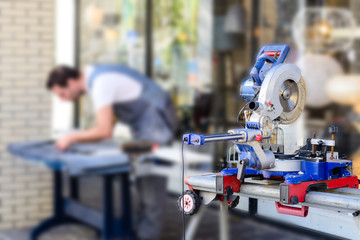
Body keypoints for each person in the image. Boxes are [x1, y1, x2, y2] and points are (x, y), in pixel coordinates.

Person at [46, 64, 177, 240]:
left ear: (71, 82)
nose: (63, 99)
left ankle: (147, 235)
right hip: (145, 124)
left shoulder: (100, 82)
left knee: (151, 181)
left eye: (62, 94)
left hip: (156, 121)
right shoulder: (95, 78)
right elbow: (108, 122)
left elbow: (104, 130)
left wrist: (71, 137)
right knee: (142, 178)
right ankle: (137, 230)